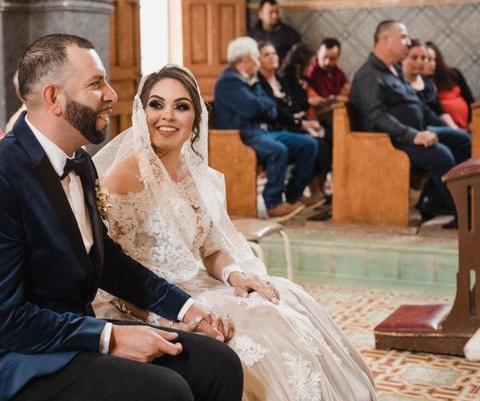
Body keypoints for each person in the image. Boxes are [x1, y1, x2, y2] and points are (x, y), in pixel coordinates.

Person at [0, 34, 243, 401]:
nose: (112, 95)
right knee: (165, 391)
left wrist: (186, 307)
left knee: (219, 363)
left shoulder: (81, 163)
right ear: (54, 98)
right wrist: (109, 337)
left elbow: (108, 261)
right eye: (95, 83)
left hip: (71, 335)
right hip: (9, 363)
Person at [93, 64, 377, 401]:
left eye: (180, 106)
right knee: (264, 324)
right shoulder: (123, 175)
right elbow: (111, 276)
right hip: (156, 300)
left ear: (196, 118)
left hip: (200, 284)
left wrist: (235, 275)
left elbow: (211, 246)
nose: (166, 116)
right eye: (156, 104)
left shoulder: (195, 173)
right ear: (142, 112)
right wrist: (169, 318)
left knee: (285, 301)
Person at [351, 20, 471, 223]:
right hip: (391, 140)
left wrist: (444, 128)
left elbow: (419, 105)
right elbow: (377, 117)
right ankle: (461, 213)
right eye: (403, 37)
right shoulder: (369, 75)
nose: (407, 42)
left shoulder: (395, 69)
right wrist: (413, 136)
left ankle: (435, 201)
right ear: (385, 39)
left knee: (464, 140)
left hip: (418, 130)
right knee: (441, 155)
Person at [214, 37, 317, 220]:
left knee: (308, 144)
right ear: (246, 59)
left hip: (260, 131)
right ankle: (273, 203)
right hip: (240, 136)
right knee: (278, 150)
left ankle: (293, 195)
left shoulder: (250, 79)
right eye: (256, 57)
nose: (258, 62)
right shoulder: (228, 81)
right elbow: (253, 108)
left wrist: (262, 107)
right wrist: (262, 107)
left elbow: (272, 109)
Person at [259, 42, 330, 205]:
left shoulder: (280, 80)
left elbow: (293, 105)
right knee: (315, 144)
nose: (272, 57)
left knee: (324, 141)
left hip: (291, 123)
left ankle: (308, 191)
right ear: (258, 60)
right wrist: (301, 124)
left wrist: (307, 121)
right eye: (267, 55)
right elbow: (277, 111)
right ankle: (296, 193)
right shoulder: (259, 83)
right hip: (278, 127)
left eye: (274, 53)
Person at [402, 39, 458, 129]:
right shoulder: (400, 84)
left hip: (441, 127)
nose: (420, 62)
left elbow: (440, 110)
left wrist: (454, 128)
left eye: (423, 58)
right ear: (402, 59)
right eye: (414, 57)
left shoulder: (428, 81)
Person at [425, 41, 475, 130]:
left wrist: (472, 122)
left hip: (468, 124)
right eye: (428, 60)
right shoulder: (423, 83)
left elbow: (469, 99)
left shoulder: (453, 73)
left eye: (434, 59)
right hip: (446, 128)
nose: (432, 63)